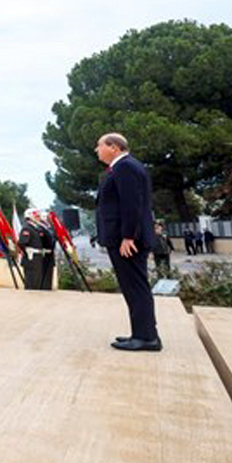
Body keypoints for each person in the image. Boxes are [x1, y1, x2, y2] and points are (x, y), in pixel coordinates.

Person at [95, 133, 160, 352]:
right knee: (134, 287)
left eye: (100, 146)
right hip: (127, 238)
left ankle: (146, 337)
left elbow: (131, 205)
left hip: (129, 241)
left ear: (113, 147)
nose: (97, 150)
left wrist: (128, 236)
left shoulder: (125, 167)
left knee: (135, 287)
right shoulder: (125, 167)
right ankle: (142, 333)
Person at [18, 209, 56, 290]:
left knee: (39, 283)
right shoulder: (27, 228)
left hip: (39, 258)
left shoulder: (37, 228)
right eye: (36, 216)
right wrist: (28, 252)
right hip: (31, 258)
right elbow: (22, 243)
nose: (38, 218)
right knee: (32, 283)